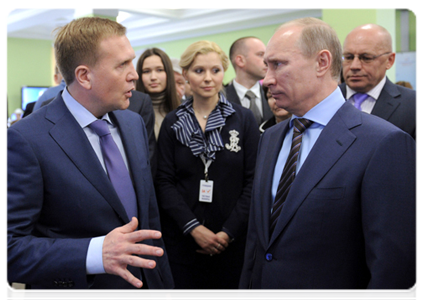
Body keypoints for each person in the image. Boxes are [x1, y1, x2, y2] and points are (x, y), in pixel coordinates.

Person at [237, 17, 419, 300]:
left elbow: (393, 270)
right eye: (266, 67)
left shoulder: (383, 143)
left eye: (278, 64)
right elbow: (257, 246)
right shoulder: (270, 138)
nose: (267, 79)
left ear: (322, 62)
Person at [5, 17, 174, 300]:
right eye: (122, 65)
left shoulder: (131, 124)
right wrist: (95, 253)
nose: (135, 75)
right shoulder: (26, 140)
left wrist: (163, 287)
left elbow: (148, 215)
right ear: (84, 76)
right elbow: (8, 248)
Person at [155, 40, 260, 300]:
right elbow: (163, 182)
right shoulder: (172, 122)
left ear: (224, 72)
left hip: (232, 243)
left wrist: (227, 233)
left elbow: (253, 181)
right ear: (186, 74)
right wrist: (194, 229)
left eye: (215, 70)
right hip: (184, 242)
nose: (207, 78)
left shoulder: (243, 119)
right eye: (198, 71)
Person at [339, 24, 420, 146]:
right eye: (348, 57)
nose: (354, 66)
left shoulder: (415, 105)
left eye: (366, 58)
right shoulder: (324, 99)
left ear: (390, 60)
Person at [225, 37, 272, 126]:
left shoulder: (274, 95)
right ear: (240, 60)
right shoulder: (221, 99)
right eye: (260, 54)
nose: (266, 61)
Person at [136, 48, 179, 140]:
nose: (153, 77)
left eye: (159, 70)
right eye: (146, 71)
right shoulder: (131, 113)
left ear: (168, 73)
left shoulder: (182, 110)